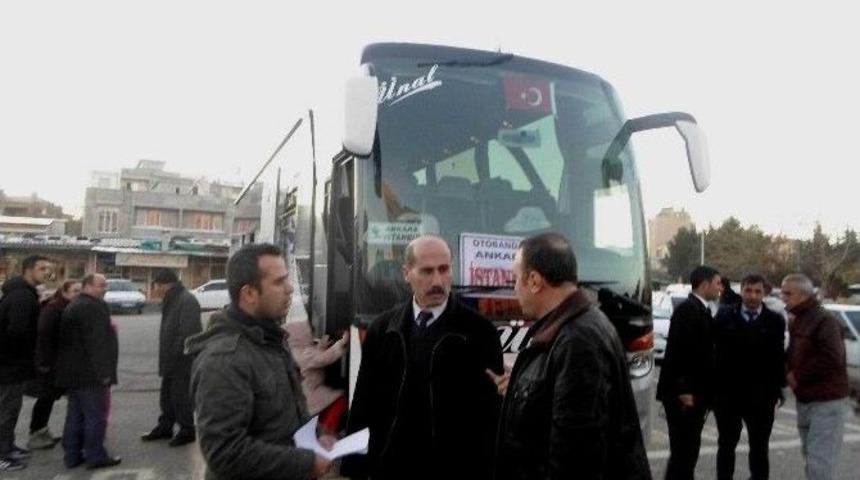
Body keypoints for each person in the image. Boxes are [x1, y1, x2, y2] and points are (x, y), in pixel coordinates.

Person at [342, 235, 503, 480]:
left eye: (444, 269)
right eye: (427, 271)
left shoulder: (479, 332)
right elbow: (365, 403)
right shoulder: (383, 330)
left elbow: (491, 416)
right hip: (392, 466)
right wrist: (354, 467)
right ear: (407, 273)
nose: (437, 281)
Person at [491, 232, 650, 480]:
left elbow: (574, 457)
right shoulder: (578, 324)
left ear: (534, 281)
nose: (514, 289)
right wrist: (521, 387)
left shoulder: (577, 341)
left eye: (515, 279)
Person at [186, 243, 332, 480]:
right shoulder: (224, 359)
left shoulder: (270, 339)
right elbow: (225, 453)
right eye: (279, 282)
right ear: (249, 294)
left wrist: (317, 435)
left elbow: (289, 411)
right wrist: (306, 463)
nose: (290, 289)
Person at [712, 274, 786, 480]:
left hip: (761, 397)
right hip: (728, 396)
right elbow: (713, 354)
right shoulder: (724, 317)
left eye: (757, 291)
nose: (753, 296)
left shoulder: (774, 321)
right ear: (741, 290)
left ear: (764, 293)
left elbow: (778, 358)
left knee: (759, 447)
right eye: (748, 291)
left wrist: (778, 392)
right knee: (726, 445)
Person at [657, 265, 722, 480]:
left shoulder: (700, 309)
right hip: (685, 396)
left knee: (686, 452)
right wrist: (684, 390)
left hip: (696, 394)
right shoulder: (688, 310)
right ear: (705, 284)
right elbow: (680, 353)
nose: (720, 288)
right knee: (684, 452)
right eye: (717, 283)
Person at [782, 273, 850, 480]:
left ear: (803, 295)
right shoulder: (800, 319)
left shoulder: (824, 320)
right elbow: (794, 354)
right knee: (811, 460)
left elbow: (832, 357)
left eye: (788, 293)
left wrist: (797, 376)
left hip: (826, 402)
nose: (783, 297)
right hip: (806, 400)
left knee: (820, 464)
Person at [55, 273, 121, 470]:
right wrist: (104, 374)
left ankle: (72, 456)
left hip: (74, 373)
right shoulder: (91, 307)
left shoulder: (76, 304)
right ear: (87, 286)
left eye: (105, 285)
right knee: (95, 416)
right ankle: (95, 456)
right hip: (90, 374)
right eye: (101, 285)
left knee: (75, 415)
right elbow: (97, 343)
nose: (105, 289)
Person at [0, 254, 52, 472]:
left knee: (11, 409)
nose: (47, 272)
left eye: (48, 269)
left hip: (13, 363)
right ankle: (3, 455)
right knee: (7, 410)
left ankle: (9, 446)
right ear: (28, 270)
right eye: (42, 268)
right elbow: (18, 331)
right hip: (10, 364)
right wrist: (29, 356)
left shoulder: (24, 293)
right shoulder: (22, 295)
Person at [140, 269, 202, 447]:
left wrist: (176, 353)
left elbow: (189, 333)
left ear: (165, 285)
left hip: (181, 359)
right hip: (171, 358)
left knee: (181, 396)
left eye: (156, 285)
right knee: (167, 395)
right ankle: (165, 427)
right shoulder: (172, 299)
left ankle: (187, 430)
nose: (155, 289)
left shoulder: (186, 300)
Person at [28, 280, 82, 450]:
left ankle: (43, 431)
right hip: (49, 363)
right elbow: (44, 336)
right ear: (64, 292)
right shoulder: (53, 309)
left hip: (60, 362)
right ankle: (36, 434)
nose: (78, 294)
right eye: (75, 291)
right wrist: (44, 363)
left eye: (80, 291)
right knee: (46, 398)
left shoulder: (67, 307)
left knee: (50, 398)